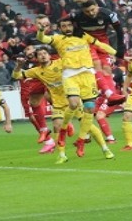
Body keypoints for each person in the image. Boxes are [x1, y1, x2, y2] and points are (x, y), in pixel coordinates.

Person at [13, 46, 113, 164]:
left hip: (73, 100)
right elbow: (16, 76)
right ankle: (62, 155)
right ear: (37, 58)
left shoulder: (60, 63)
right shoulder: (36, 71)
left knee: (88, 126)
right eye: (40, 54)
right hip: (58, 104)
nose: (43, 55)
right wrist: (19, 65)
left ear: (50, 55)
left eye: (45, 53)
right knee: (57, 126)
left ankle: (105, 149)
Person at [36, 16, 116, 159]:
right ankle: (65, 131)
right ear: (60, 28)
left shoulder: (84, 36)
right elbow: (43, 39)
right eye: (63, 26)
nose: (67, 28)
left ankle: (96, 145)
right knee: (73, 103)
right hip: (70, 75)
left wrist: (118, 53)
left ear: (73, 26)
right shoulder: (58, 39)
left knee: (90, 109)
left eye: (69, 25)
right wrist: (41, 30)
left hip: (87, 75)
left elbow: (100, 45)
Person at [71, 0, 126, 140]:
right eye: (87, 11)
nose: (90, 13)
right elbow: (67, 23)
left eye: (92, 10)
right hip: (86, 45)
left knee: (107, 70)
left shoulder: (108, 14)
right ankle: (109, 93)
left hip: (103, 44)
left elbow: (119, 30)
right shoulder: (77, 16)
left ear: (97, 6)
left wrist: (121, 48)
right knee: (96, 66)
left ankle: (111, 94)